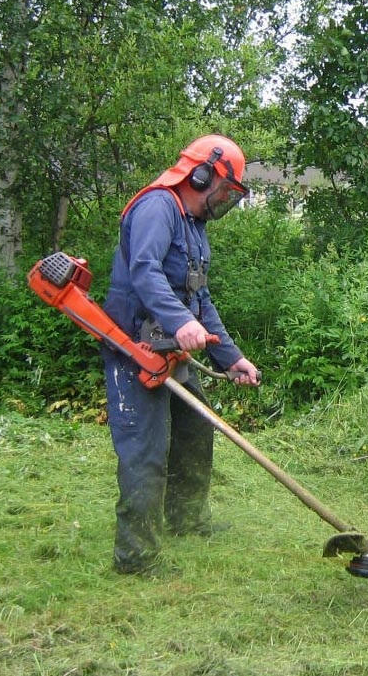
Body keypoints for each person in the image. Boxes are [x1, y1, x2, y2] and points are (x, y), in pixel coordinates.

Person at [101, 134, 260, 576]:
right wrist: (180, 322)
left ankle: (188, 521)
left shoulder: (193, 226)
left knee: (195, 431)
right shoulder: (157, 207)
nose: (225, 200)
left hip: (172, 348)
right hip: (137, 348)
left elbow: (200, 298)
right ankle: (136, 556)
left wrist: (232, 358)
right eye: (225, 190)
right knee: (146, 450)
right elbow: (144, 271)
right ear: (201, 173)